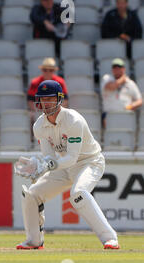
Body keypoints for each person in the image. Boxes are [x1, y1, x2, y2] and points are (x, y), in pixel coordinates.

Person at [14, 80, 119, 250]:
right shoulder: (39, 125)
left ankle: (110, 238)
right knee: (32, 194)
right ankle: (34, 241)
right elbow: (49, 157)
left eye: (50, 99)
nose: (46, 103)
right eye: (43, 99)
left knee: (78, 194)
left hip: (89, 162)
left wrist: (47, 165)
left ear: (59, 99)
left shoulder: (73, 120)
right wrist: (39, 165)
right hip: (63, 166)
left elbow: (72, 157)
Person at [101, 58, 142, 126]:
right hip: (109, 115)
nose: (117, 69)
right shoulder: (107, 78)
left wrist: (130, 106)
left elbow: (139, 100)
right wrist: (123, 78)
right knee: (110, 135)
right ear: (112, 69)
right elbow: (112, 87)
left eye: (119, 67)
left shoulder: (130, 83)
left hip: (125, 116)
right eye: (114, 67)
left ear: (124, 69)